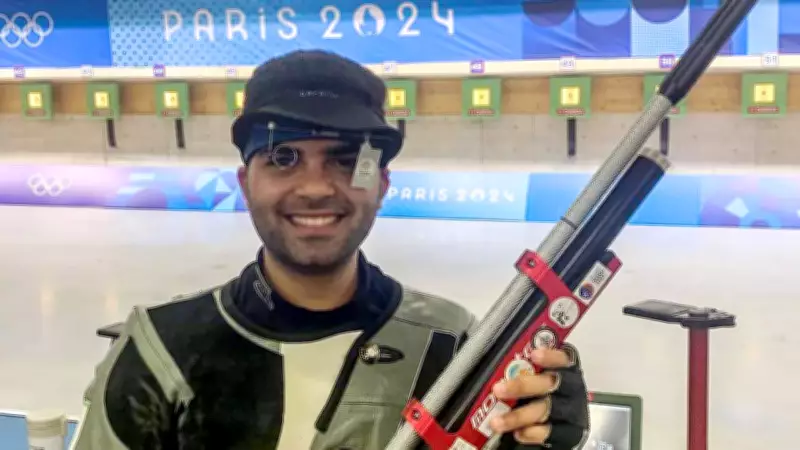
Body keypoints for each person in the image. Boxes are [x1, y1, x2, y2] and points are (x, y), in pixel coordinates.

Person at [70, 50, 590, 450]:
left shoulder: (453, 343)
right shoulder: (158, 349)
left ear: (381, 185)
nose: (316, 187)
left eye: (345, 160)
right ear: (245, 183)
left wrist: (543, 433)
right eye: (283, 157)